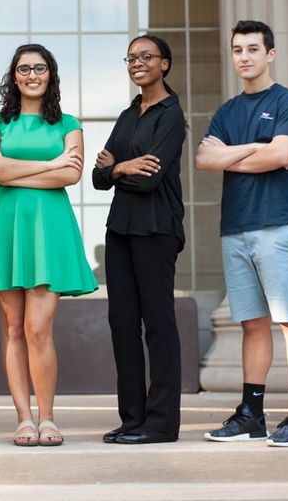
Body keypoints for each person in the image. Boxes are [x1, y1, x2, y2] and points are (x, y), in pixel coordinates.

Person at [195, 20, 288, 446]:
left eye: (252, 49)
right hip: (236, 227)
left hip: (276, 223)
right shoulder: (227, 111)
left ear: (270, 54)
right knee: (252, 324)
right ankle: (252, 414)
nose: (243, 56)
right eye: (237, 50)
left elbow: (283, 153)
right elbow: (203, 161)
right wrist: (256, 149)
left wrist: (232, 154)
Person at [0, 44, 98, 447]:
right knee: (13, 328)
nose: (32, 74)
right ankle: (23, 419)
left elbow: (71, 176)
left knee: (38, 328)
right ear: (14, 75)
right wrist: (49, 164)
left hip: (48, 227)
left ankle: (48, 417)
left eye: (40, 67)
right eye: (24, 68)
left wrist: (17, 171)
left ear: (50, 74)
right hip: (6, 226)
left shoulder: (69, 123)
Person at [93, 34, 185, 445]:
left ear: (164, 63)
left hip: (157, 229)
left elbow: (150, 180)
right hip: (120, 231)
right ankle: (133, 418)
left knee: (158, 324)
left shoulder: (171, 114)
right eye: (130, 58)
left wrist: (120, 168)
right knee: (122, 322)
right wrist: (122, 168)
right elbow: (97, 177)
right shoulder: (129, 114)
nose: (136, 63)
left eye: (145, 57)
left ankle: (162, 422)